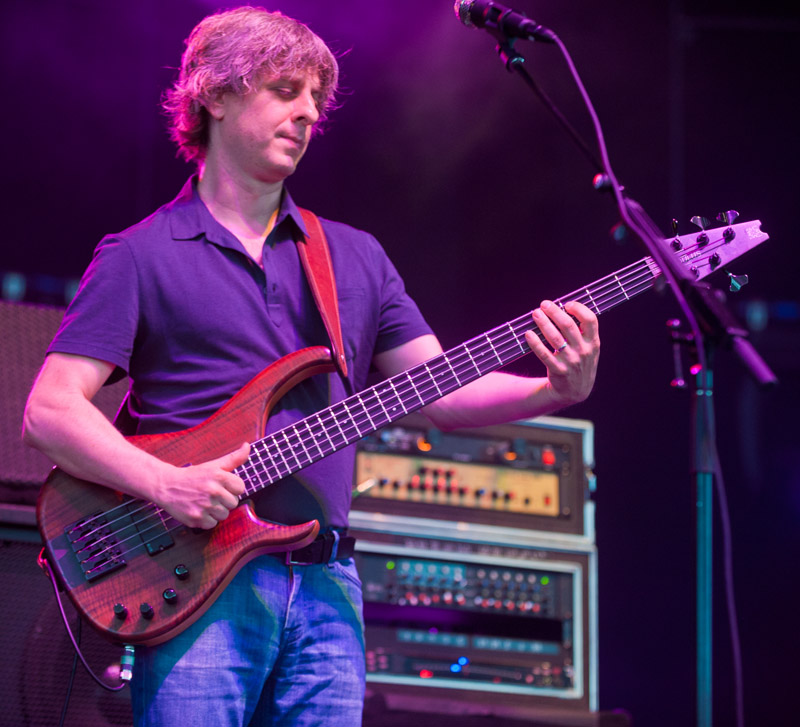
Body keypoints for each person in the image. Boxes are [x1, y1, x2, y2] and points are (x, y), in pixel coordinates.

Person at [22, 6, 600, 727]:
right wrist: (165, 482)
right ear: (216, 94)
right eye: (285, 90)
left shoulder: (354, 257)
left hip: (328, 584)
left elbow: (441, 389)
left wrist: (552, 388)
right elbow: (50, 411)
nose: (308, 114)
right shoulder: (141, 254)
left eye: (316, 100)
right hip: (197, 581)